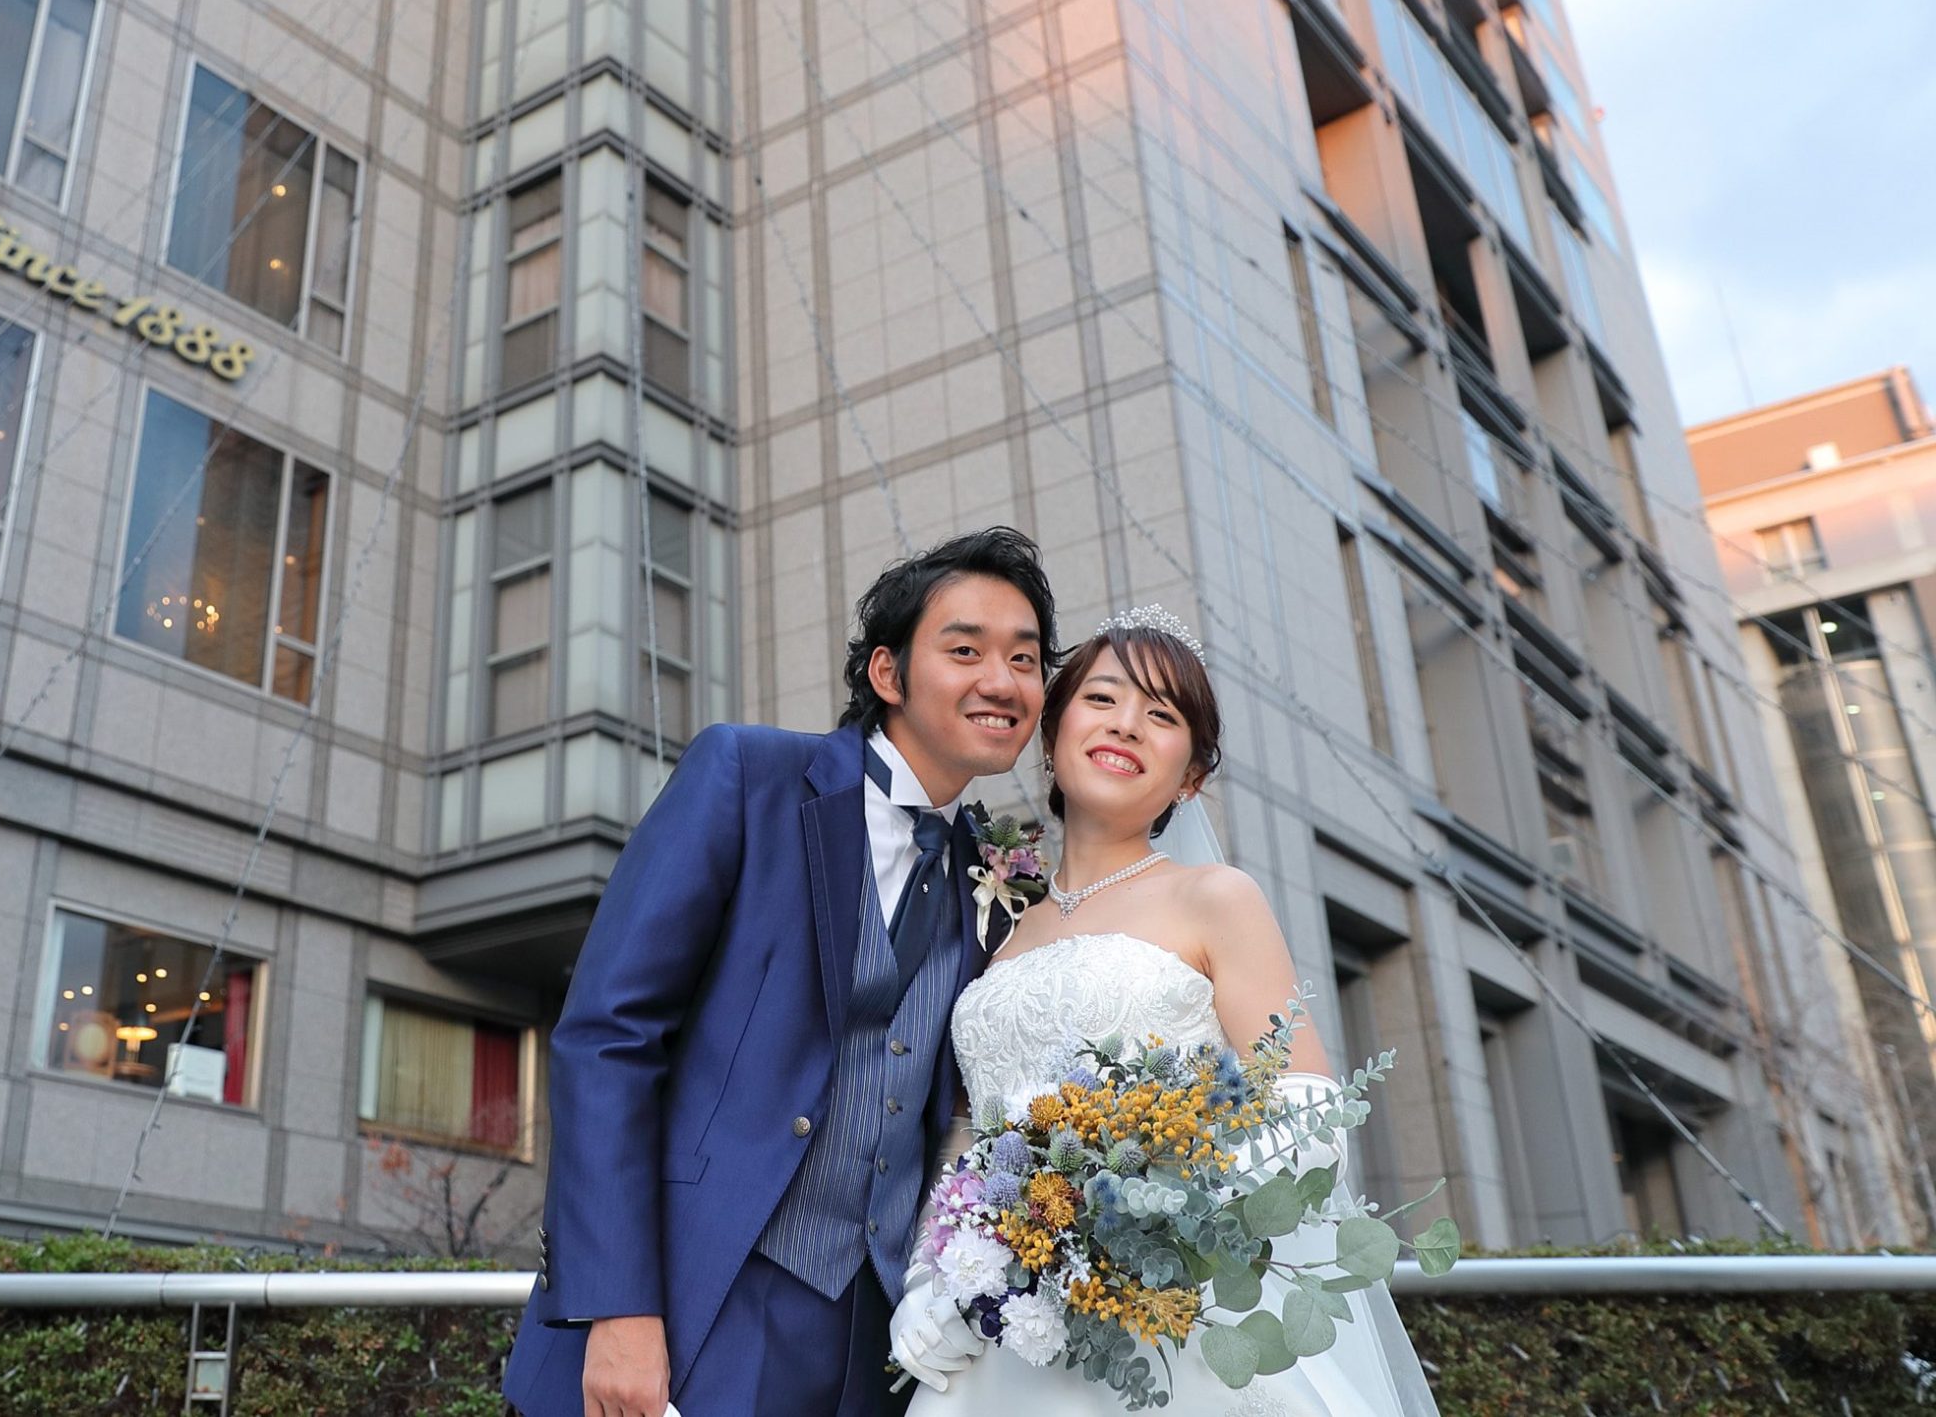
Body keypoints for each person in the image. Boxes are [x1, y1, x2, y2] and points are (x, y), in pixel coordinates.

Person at [502, 529, 1062, 1417]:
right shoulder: (747, 776)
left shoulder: (995, 875)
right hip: (693, 1300)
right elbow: (608, 1037)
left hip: (878, 1343)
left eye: (1024, 659)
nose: (1002, 680)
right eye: (966, 650)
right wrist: (618, 1306)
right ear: (887, 672)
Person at [889, 607, 1440, 1415]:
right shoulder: (998, 929)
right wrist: (936, 1277)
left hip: (1168, 1326)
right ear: (1054, 730)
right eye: (1102, 698)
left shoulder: (1215, 897)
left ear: (1190, 778)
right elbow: (970, 1136)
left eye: (1161, 714)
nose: (1126, 724)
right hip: (1006, 1340)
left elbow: (1309, 1109)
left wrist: (1141, 1210)